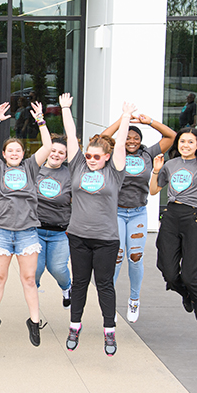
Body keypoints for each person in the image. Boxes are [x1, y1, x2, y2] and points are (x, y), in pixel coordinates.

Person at [61, 93, 135, 357]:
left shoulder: (114, 173)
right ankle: (74, 326)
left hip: (105, 239)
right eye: (89, 156)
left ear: (106, 158)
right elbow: (71, 138)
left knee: (104, 284)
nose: (91, 159)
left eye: (96, 156)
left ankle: (109, 330)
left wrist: (125, 117)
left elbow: (121, 147)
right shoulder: (78, 168)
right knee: (80, 282)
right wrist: (65, 109)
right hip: (78, 236)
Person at [0, 101, 51, 346]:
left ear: (23, 154)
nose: (13, 153)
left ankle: (34, 322)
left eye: (17, 151)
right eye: (9, 150)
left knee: (28, 279)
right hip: (1, 231)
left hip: (27, 232)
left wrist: (41, 120)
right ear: (4, 154)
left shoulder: (31, 168)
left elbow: (48, 146)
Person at [101, 112, 175, 323]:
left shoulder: (148, 154)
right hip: (115, 211)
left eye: (136, 138)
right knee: (116, 257)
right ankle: (110, 303)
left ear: (141, 141)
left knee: (135, 257)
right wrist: (123, 120)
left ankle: (134, 299)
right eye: (128, 137)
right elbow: (101, 138)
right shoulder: (114, 154)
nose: (132, 141)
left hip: (137, 213)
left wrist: (148, 122)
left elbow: (171, 136)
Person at [150, 127, 197, 322]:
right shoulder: (171, 164)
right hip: (170, 216)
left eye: (190, 142)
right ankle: (188, 294)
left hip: (192, 217)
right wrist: (156, 171)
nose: (185, 145)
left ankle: (196, 296)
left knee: (189, 274)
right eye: (182, 141)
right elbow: (153, 190)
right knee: (168, 271)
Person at [34, 134, 72, 311]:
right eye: (53, 150)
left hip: (60, 231)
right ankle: (33, 294)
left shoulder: (70, 174)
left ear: (65, 156)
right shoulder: (35, 169)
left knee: (57, 268)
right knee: (36, 269)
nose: (56, 154)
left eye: (61, 152)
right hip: (35, 230)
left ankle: (67, 289)